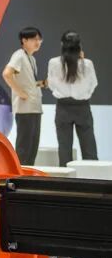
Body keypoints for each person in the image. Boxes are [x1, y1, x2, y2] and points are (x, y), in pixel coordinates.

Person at [47, 31, 98, 166]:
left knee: (64, 147)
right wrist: (84, 94)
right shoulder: (87, 64)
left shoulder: (54, 62)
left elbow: (51, 84)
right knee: (89, 147)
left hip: (63, 106)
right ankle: (92, 175)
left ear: (62, 45)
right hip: (82, 106)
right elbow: (93, 84)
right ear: (79, 45)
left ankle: (66, 176)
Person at [2, 26, 44, 166]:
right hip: (25, 109)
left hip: (34, 108)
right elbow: (7, 74)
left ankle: (27, 174)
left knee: (32, 147)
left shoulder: (31, 58)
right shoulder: (19, 55)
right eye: (34, 39)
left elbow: (29, 82)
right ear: (24, 40)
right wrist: (20, 93)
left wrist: (42, 84)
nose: (38, 42)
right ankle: (20, 175)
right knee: (24, 147)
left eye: (39, 39)